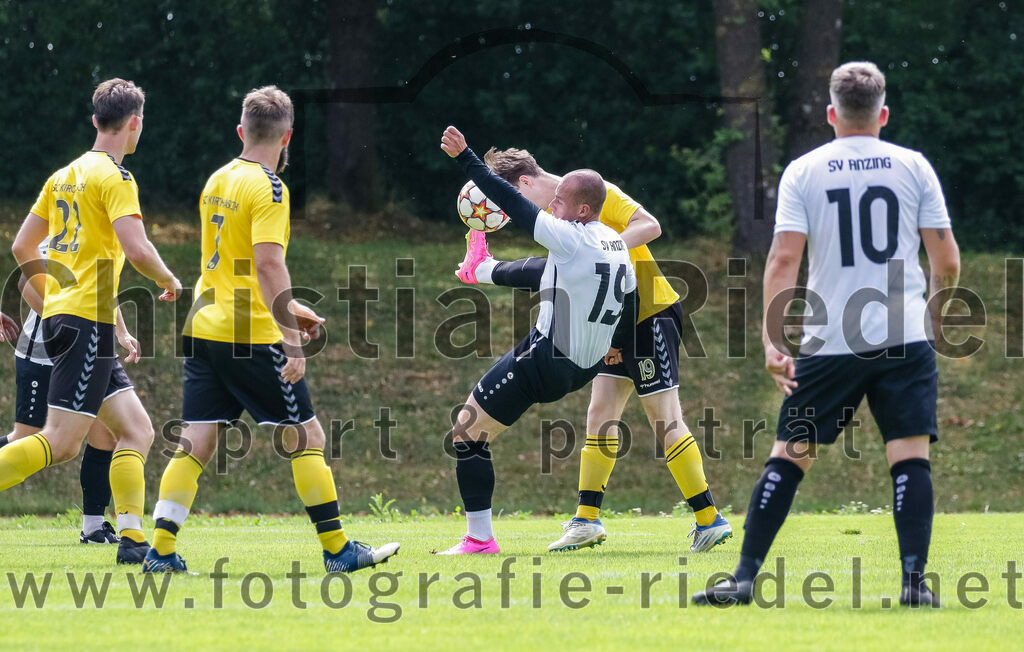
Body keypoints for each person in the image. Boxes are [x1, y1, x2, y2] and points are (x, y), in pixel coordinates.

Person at [693, 62, 959, 607]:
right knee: (910, 458)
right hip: (903, 336)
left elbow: (783, 260)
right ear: (883, 114)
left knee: (789, 456)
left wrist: (773, 340)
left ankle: (743, 578)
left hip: (831, 338)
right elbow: (947, 260)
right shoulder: (914, 167)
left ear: (831, 115)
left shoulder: (805, 171)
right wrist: (935, 313)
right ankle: (913, 584)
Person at [142, 86, 399, 574]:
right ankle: (338, 550)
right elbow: (267, 265)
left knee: (196, 442)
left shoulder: (219, 178)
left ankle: (161, 552)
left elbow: (234, 266)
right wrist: (291, 339)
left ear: (241, 131)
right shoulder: (271, 188)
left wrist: (291, 306)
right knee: (308, 438)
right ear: (288, 137)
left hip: (204, 327)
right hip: (249, 334)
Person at [456, 149, 731, 553]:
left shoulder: (591, 191)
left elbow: (649, 225)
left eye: (512, 201)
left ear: (524, 184)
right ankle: (586, 520)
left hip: (649, 312)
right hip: (611, 323)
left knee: (665, 418)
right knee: (600, 415)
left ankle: (709, 518)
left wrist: (600, 253)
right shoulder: (563, 216)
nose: (511, 214)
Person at [436, 125, 638, 555]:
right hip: (583, 369)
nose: (552, 206)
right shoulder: (616, 245)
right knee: (551, 277)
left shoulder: (568, 236)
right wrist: (617, 343)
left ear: (583, 210)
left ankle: (479, 540)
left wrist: (465, 157)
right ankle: (481, 267)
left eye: (560, 201)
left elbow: (511, 201)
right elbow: (628, 300)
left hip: (546, 360)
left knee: (467, 433)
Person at [5, 78, 182, 565]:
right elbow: (137, 249)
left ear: (95, 120)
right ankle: (131, 539)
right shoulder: (116, 177)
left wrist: (55, 299)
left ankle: (133, 541)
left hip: (80, 320)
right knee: (60, 443)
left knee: (136, 430)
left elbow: (22, 246)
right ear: (135, 123)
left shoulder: (64, 175)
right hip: (85, 323)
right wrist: (169, 279)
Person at [1, 246, 142, 544]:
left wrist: (120, 332)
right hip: (44, 352)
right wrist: (64, 323)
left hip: (90, 347)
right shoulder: (60, 229)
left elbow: (102, 286)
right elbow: (26, 282)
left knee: (107, 434)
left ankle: (94, 528)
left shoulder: (102, 234)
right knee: (30, 438)